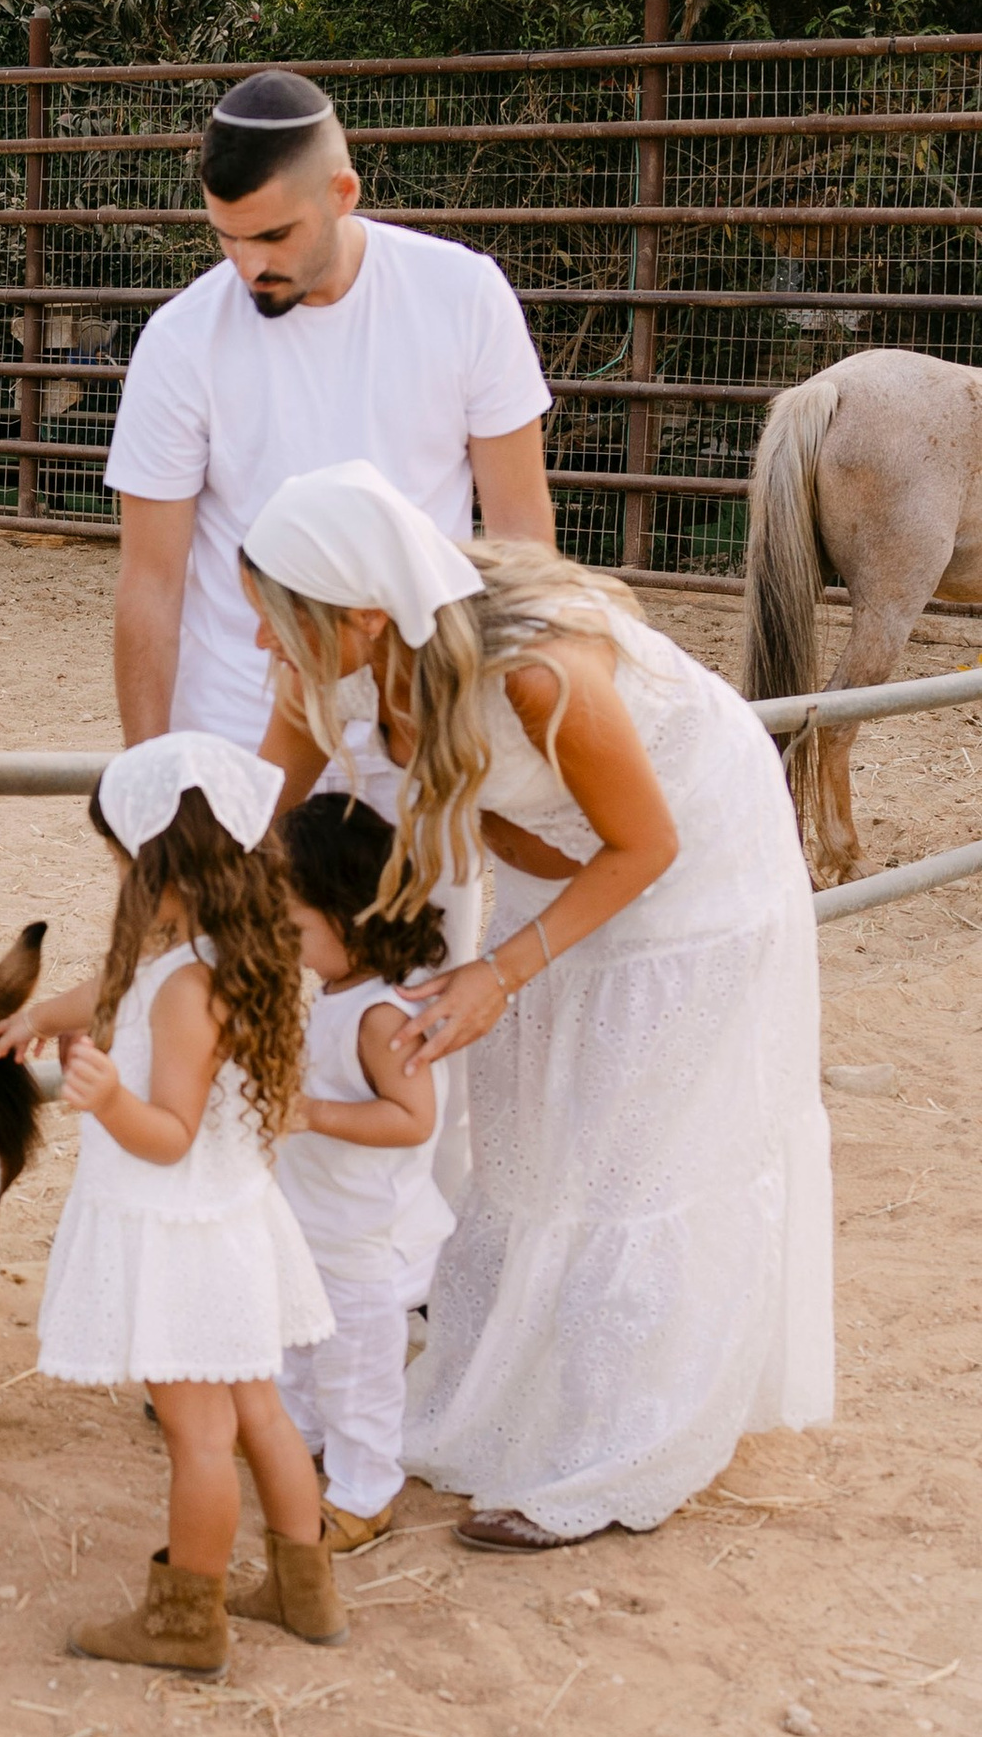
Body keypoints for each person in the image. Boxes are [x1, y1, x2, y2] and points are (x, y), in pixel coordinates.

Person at [243, 460, 835, 1551]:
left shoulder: (539, 676)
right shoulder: (336, 666)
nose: (262, 649)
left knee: (630, 1148)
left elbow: (645, 843)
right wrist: (157, 940)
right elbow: (247, 819)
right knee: (530, 1143)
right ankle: (498, 1408)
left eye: (278, 625)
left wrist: (501, 967)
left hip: (684, 871)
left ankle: (611, 1457)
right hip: (557, 859)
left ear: (365, 617)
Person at [0, 734, 341, 1677]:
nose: (114, 870)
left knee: (200, 1434)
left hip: (183, 1233)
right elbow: (113, 985)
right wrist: (39, 1016)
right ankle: (306, 1594)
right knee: (260, 1413)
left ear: (167, 867)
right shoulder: (218, 952)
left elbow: (171, 1134)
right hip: (229, 1222)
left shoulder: (187, 993)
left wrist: (107, 1100)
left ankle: (186, 1622)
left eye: (120, 854)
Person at [107, 69, 556, 751]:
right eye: (227, 237)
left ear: (343, 193)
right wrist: (151, 781)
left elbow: (521, 534)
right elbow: (150, 582)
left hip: (423, 731)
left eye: (273, 235)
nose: (247, 264)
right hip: (244, 739)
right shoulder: (179, 340)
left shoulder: (464, 295)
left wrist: (525, 729)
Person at [273, 794, 454, 1553]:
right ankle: (300, 1437)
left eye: (296, 921)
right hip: (321, 1223)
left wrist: (310, 1113)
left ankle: (364, 1490)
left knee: (357, 1375)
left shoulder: (380, 1015)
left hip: (364, 1238)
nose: (284, 933)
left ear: (347, 915)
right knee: (300, 1346)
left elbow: (413, 1118)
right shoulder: (335, 994)